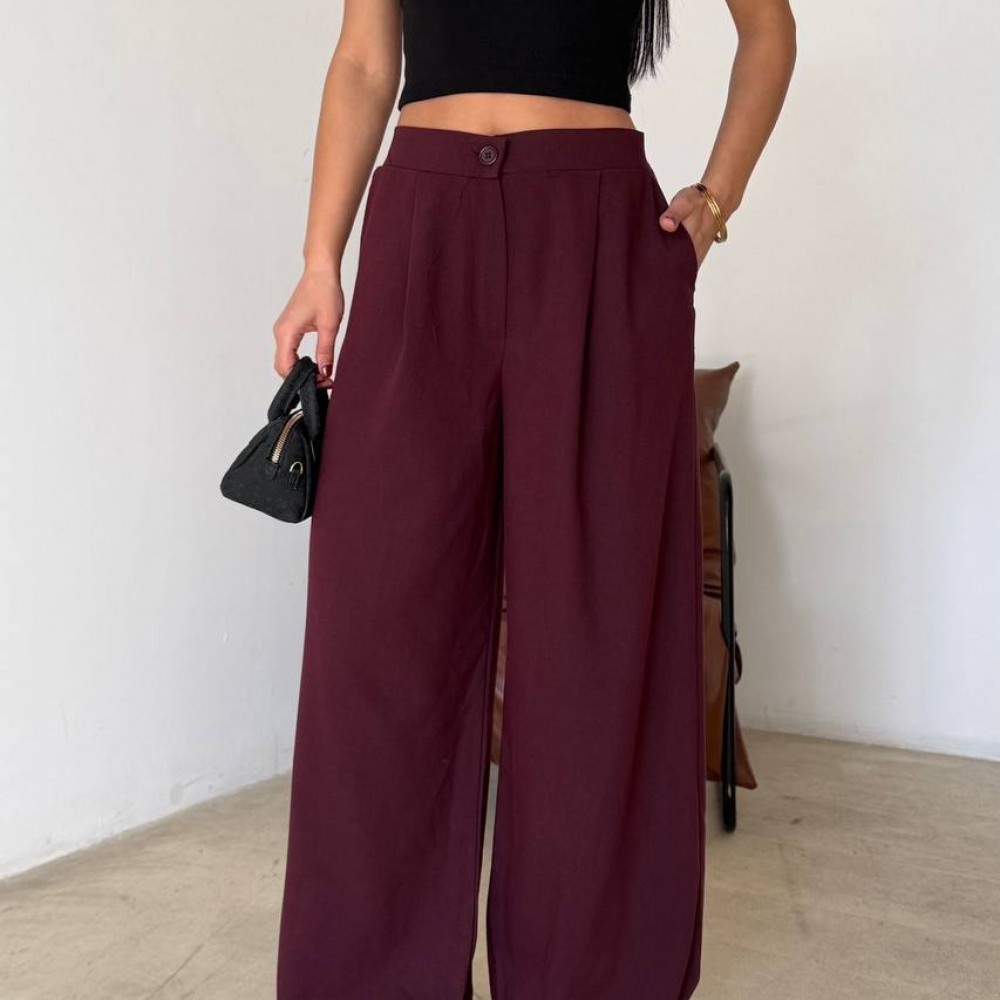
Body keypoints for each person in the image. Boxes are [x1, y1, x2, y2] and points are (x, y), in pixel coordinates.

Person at [271, 1, 796, 997]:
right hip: (421, 225)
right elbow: (365, 62)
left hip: (597, 229)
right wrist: (319, 262)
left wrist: (713, 200)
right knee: (375, 628)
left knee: (598, 635)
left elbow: (768, 30)